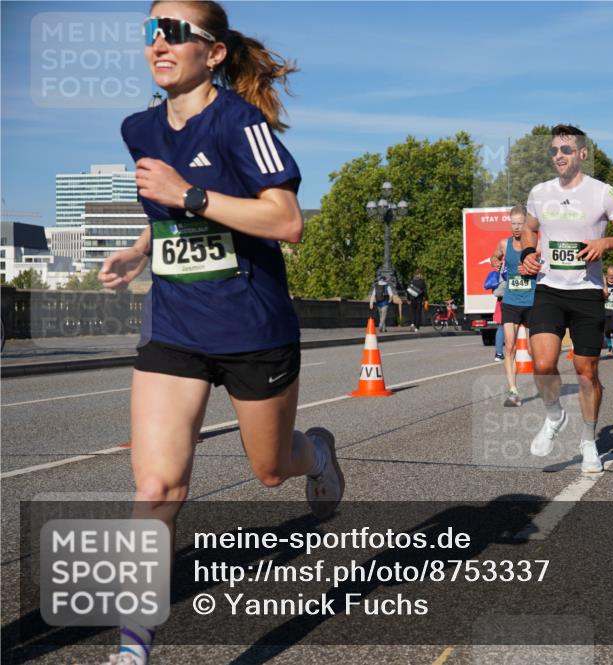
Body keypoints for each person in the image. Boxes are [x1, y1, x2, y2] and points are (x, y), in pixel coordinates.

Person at [99, 4, 344, 663]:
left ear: (213, 53)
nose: (158, 41)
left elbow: (286, 219)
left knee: (270, 470)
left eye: (175, 31)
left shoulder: (241, 121)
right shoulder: (138, 128)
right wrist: (140, 246)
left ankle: (315, 453)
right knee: (156, 489)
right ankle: (132, 645)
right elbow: (172, 212)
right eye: (151, 29)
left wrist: (190, 196)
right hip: (175, 327)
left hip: (253, 328)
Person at [520, 125, 613, 473]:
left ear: (582, 154)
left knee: (586, 373)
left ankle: (589, 440)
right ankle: (554, 415)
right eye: (555, 150)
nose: (559, 155)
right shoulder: (540, 193)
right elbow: (529, 228)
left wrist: (605, 243)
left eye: (567, 150)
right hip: (549, 289)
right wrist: (529, 251)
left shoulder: (603, 193)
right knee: (542, 364)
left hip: (588, 292)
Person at [490, 205, 536, 405]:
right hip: (510, 301)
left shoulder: (536, 242)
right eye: (513, 223)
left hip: (533, 300)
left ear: (526, 223)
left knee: (537, 351)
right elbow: (494, 256)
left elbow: (546, 266)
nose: (516, 227)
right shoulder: (504, 244)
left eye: (520, 223)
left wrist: (534, 268)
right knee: (509, 346)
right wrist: (495, 262)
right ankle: (513, 391)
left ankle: (545, 385)